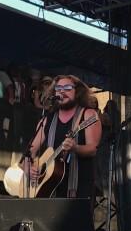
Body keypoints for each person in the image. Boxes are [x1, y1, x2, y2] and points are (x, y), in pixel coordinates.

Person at [27, 75, 102, 203]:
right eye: (58, 88)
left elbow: (93, 148)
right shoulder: (47, 120)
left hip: (79, 188)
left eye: (67, 88)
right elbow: (29, 151)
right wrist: (29, 168)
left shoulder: (88, 115)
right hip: (50, 190)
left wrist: (75, 147)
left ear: (77, 92)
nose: (62, 91)